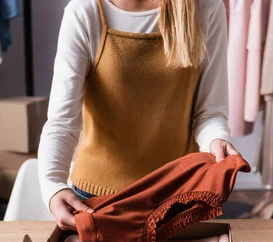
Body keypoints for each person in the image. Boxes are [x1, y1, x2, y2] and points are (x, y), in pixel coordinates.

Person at [39, 0, 239, 230]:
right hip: (96, 201)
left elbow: (209, 112)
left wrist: (217, 139)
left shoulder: (205, 9)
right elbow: (62, 121)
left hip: (179, 199)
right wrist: (53, 185)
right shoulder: (85, 12)